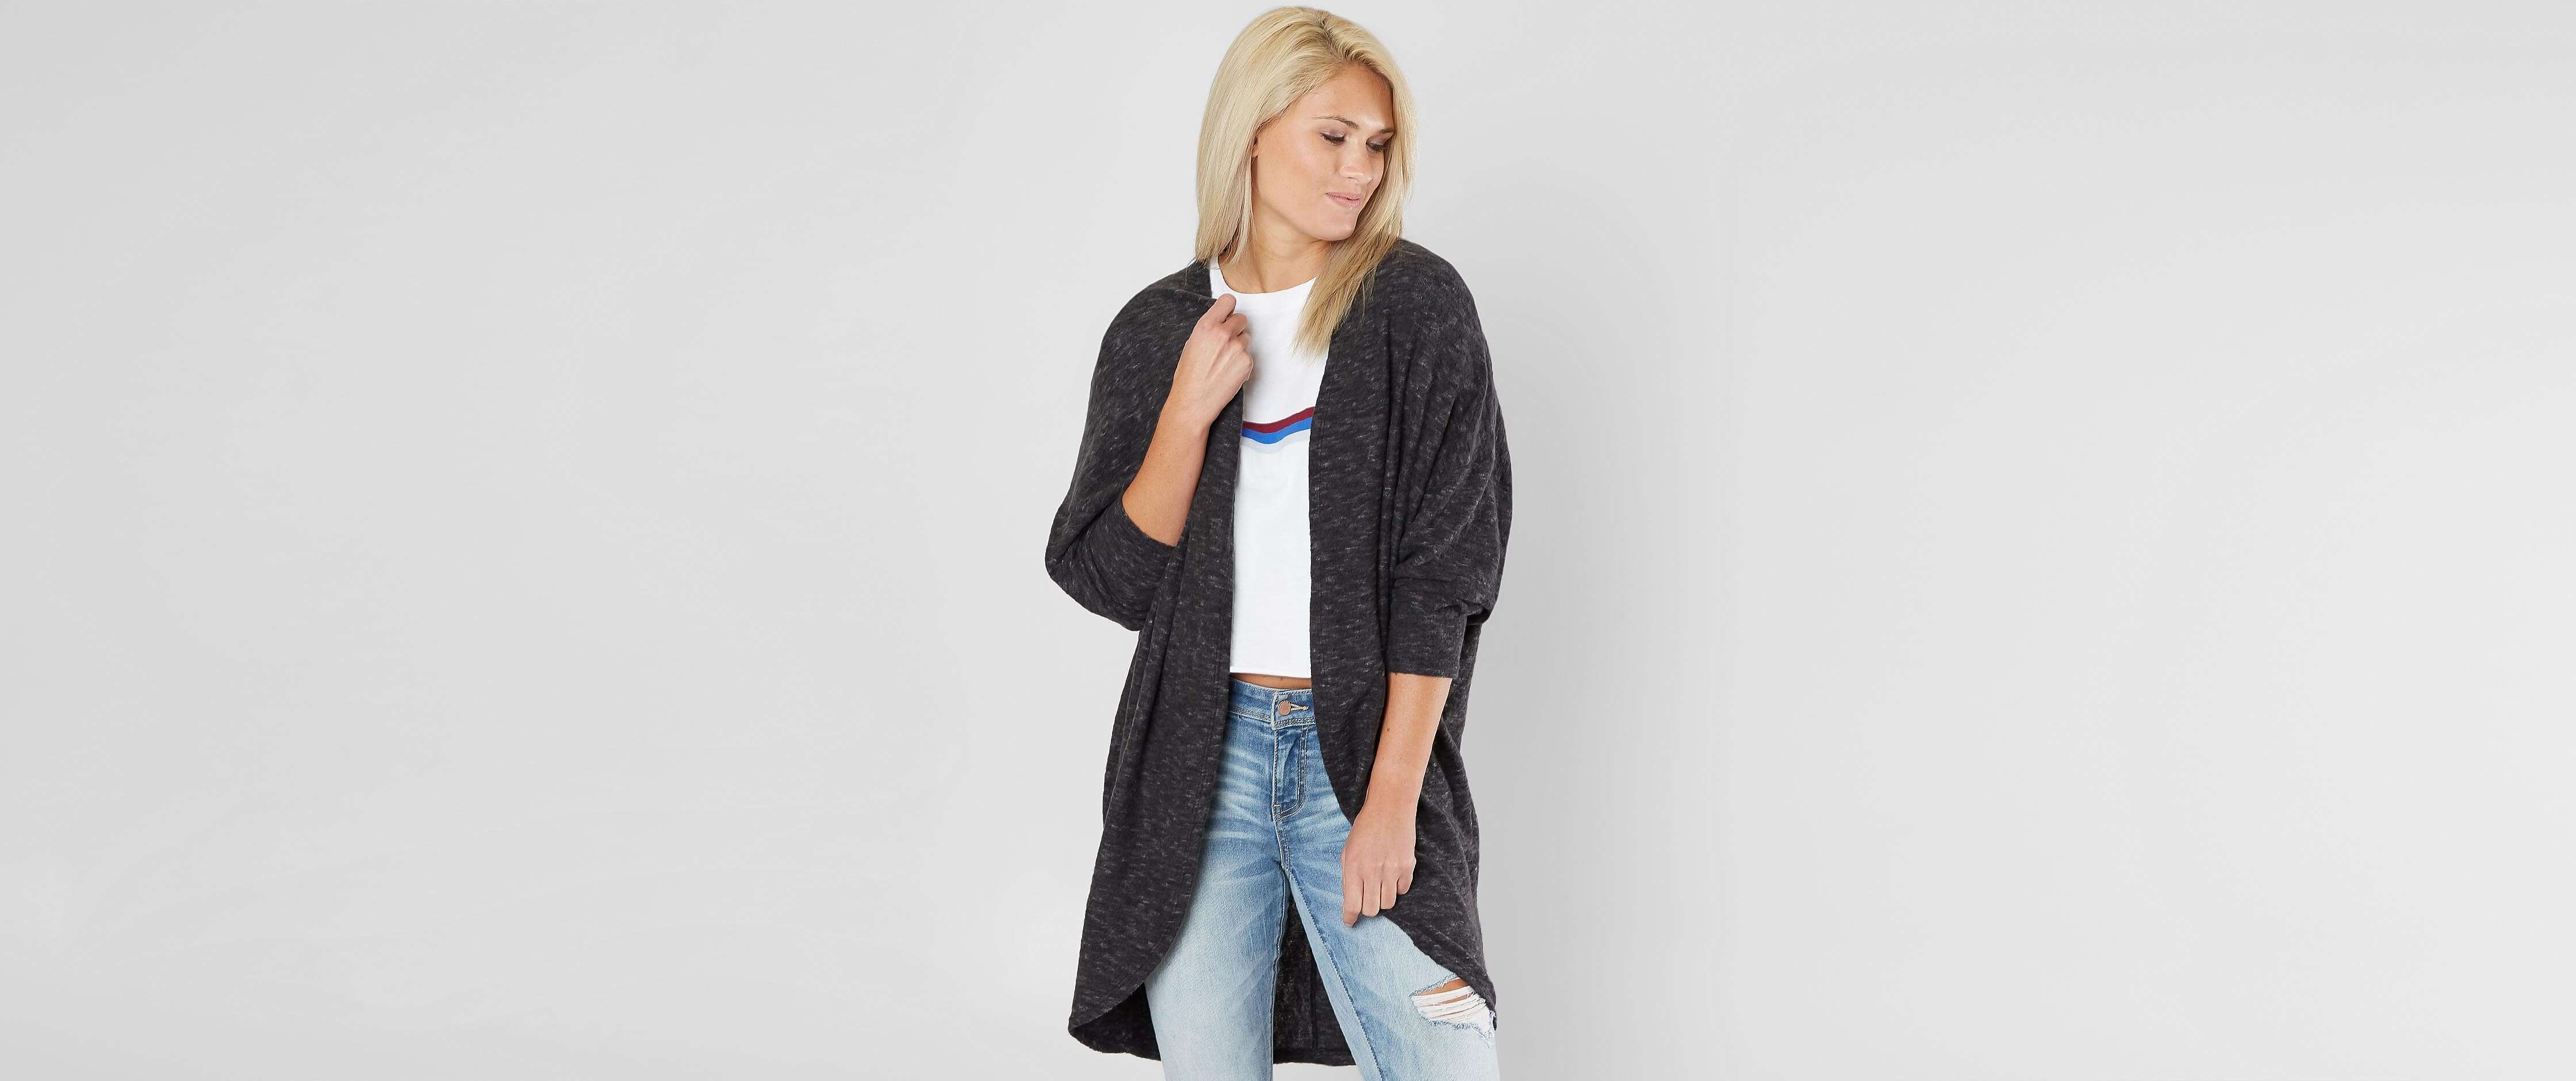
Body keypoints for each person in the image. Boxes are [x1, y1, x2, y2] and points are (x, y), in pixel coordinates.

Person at [1045, 7, 1513, 1078]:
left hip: (1361, 758)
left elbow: (1447, 572)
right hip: (1197, 769)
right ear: (1251, 133)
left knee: (1445, 1057)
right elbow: (1111, 578)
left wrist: (1391, 800)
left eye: (1377, 145)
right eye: (1333, 136)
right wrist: (1184, 415)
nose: (1360, 170)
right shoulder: (1158, 328)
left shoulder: (1415, 307)